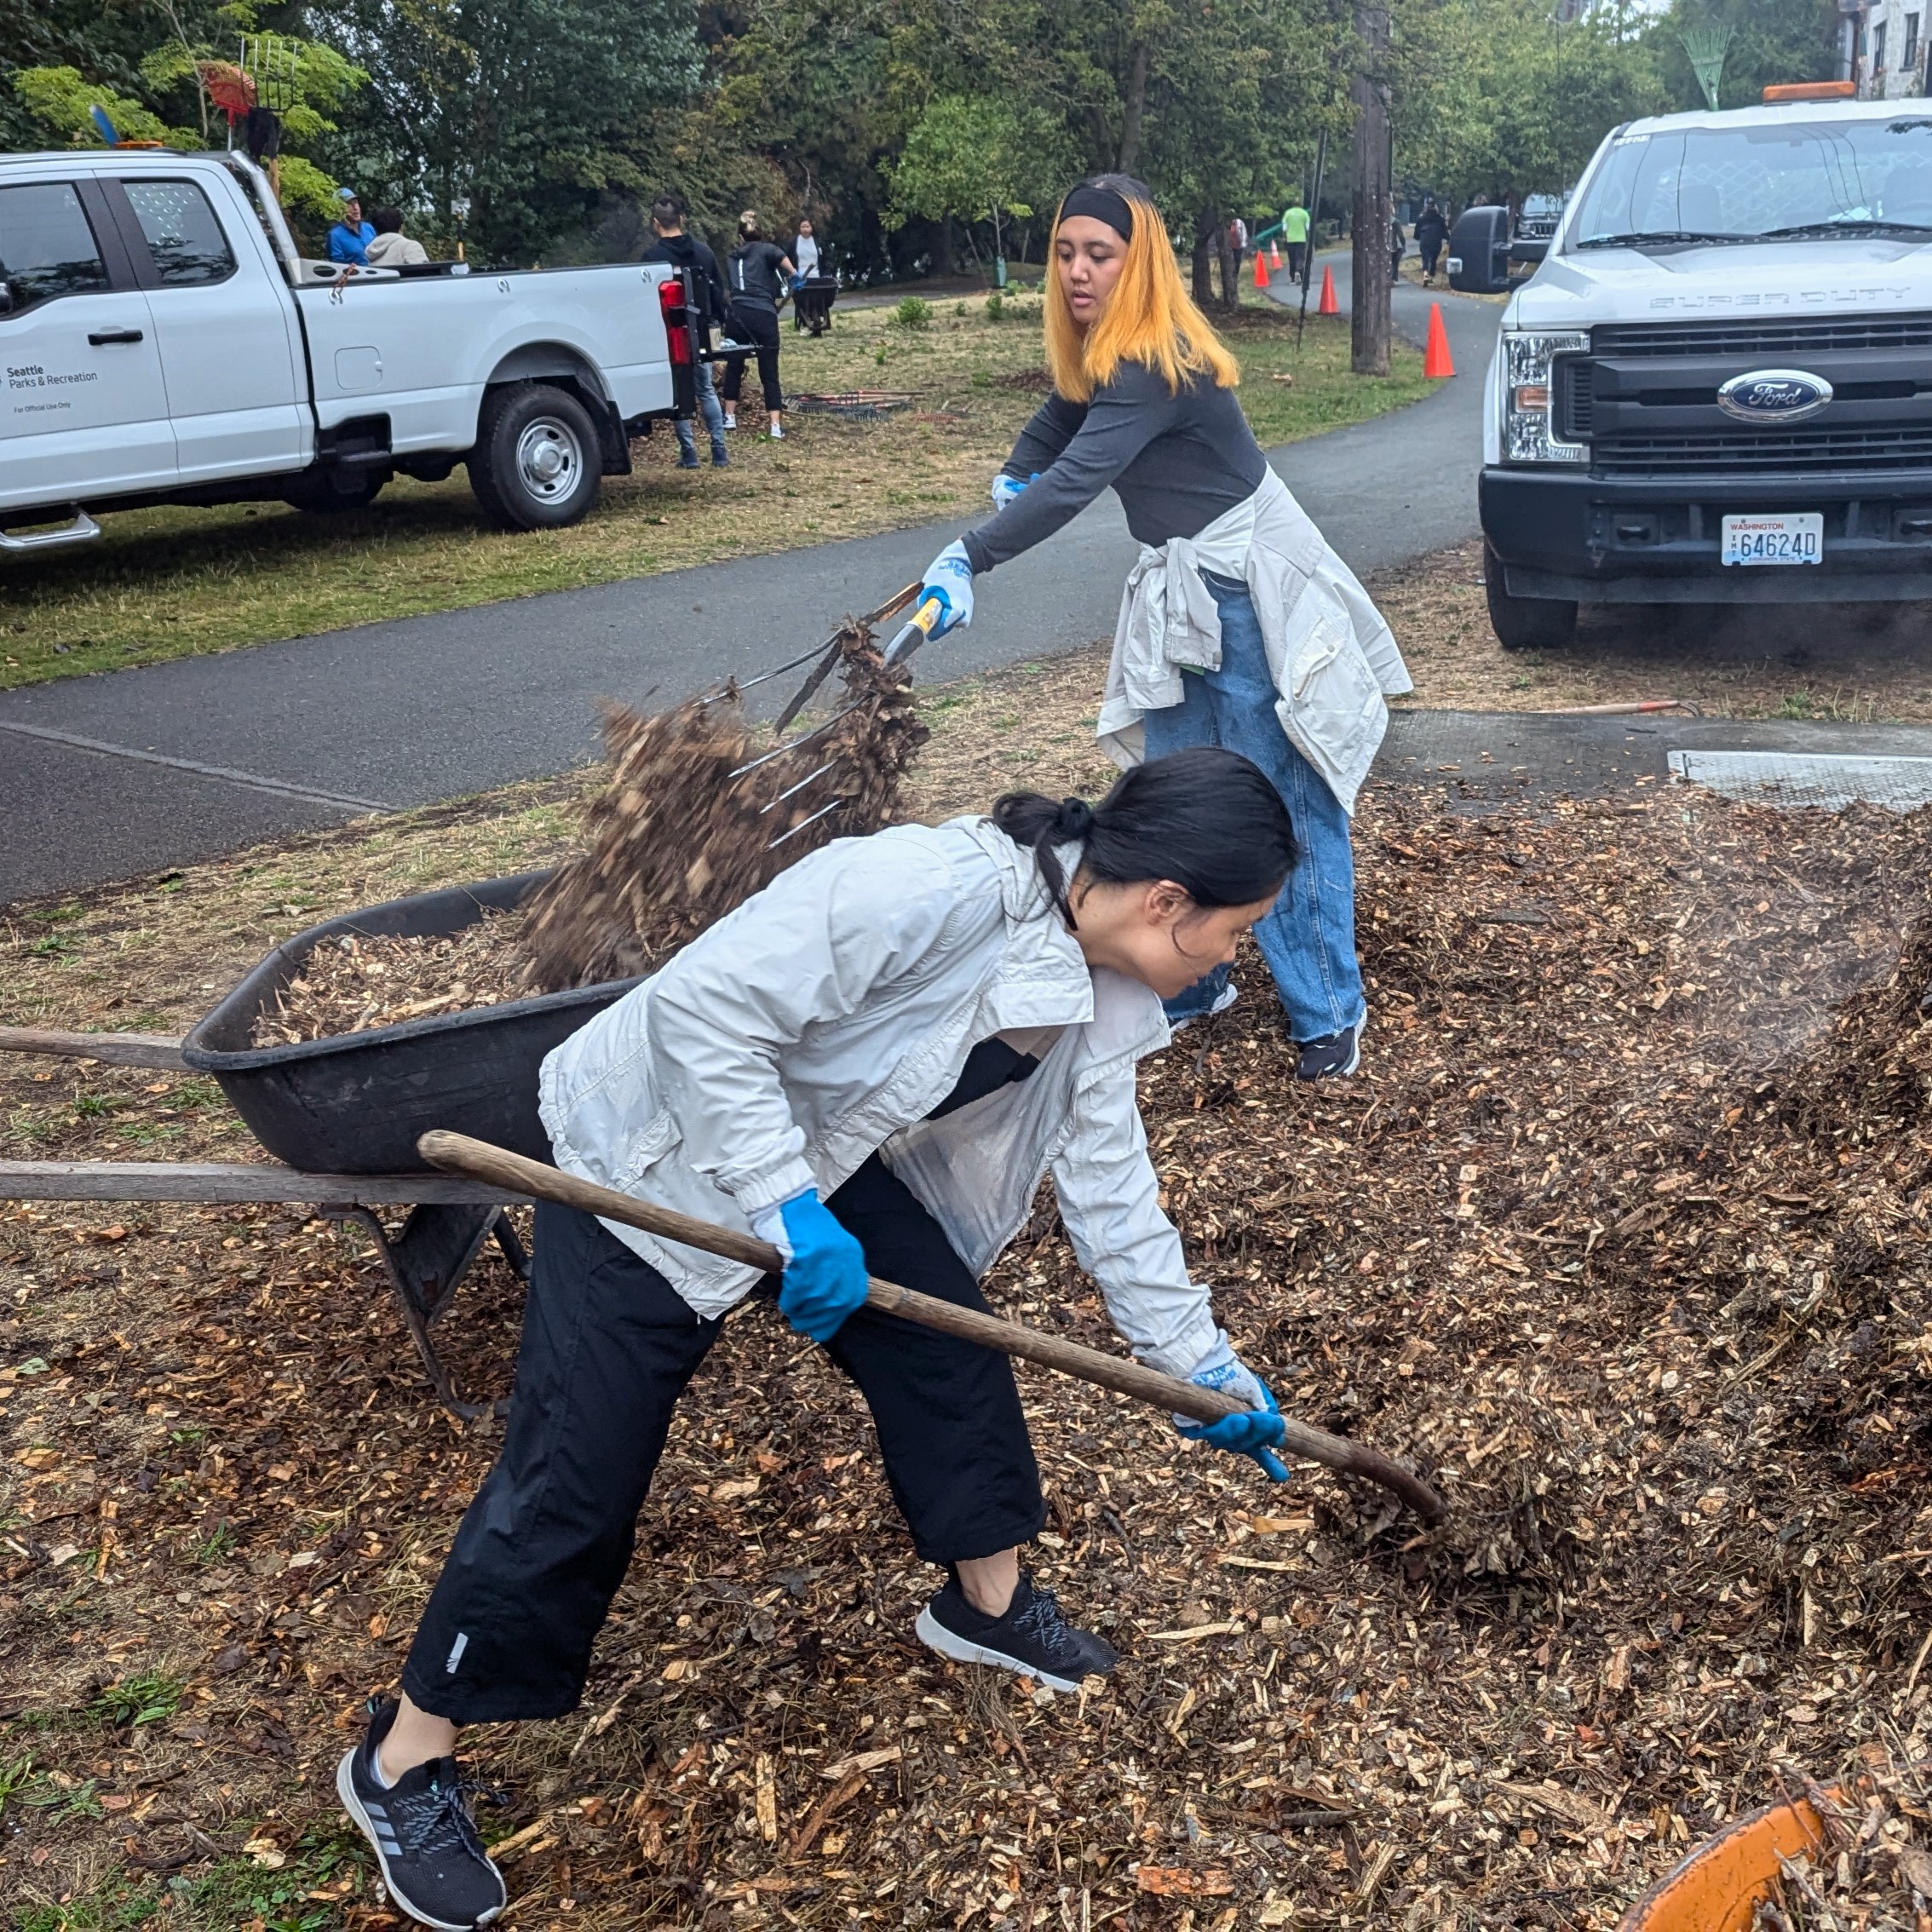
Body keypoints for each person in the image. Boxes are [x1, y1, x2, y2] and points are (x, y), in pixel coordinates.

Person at [334, 749, 1300, 1932]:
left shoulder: (1097, 990)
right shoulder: (925, 888)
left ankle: (984, 1606)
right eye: (1236, 930)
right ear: (1166, 902)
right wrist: (782, 1205)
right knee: (574, 1476)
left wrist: (1191, 1360)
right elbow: (703, 1012)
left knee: (949, 1351)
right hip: (655, 1154)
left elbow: (1108, 1185)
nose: (1232, 954)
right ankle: (402, 1757)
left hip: (816, 1160)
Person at [913, 174, 1411, 1082]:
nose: (1076, 271)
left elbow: (1076, 482)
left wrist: (972, 555)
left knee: (1286, 797)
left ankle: (1330, 1009)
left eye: (1098, 254)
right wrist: (1013, 472)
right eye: (1065, 253)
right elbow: (1058, 423)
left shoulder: (1156, 359)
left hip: (1252, 594)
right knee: (1178, 795)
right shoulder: (1110, 349)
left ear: (1138, 261)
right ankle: (1190, 980)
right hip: (1190, 597)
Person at [641, 193, 730, 469]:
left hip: (671, 334)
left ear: (656, 222)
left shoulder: (652, 257)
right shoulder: (703, 252)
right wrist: (718, 324)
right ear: (683, 218)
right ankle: (719, 450)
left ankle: (689, 453)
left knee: (679, 391)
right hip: (702, 330)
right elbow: (718, 293)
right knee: (706, 389)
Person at [720, 210, 796, 440]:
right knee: (769, 371)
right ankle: (774, 426)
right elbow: (788, 266)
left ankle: (729, 417)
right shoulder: (768, 249)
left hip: (737, 315)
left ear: (740, 237)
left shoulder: (732, 256)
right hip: (763, 313)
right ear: (760, 234)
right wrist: (795, 276)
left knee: (734, 365)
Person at [364, 207, 428, 267]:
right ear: (401, 227)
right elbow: (423, 275)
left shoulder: (371, 252)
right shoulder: (411, 246)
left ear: (376, 229)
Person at [327, 188, 374, 266]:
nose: (355, 208)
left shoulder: (368, 228)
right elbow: (337, 267)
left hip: (378, 275)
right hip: (356, 277)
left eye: (355, 202)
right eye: (349, 204)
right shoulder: (335, 236)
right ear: (339, 210)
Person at [1414, 197, 1448, 285]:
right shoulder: (1440, 219)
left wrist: (1418, 237)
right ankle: (1432, 275)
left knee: (1425, 260)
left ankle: (1426, 277)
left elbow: (1416, 234)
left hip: (1425, 242)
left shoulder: (1421, 219)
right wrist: (1448, 239)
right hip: (1436, 242)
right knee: (1433, 260)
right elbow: (1445, 232)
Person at [1281, 194, 1311, 285]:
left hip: (1290, 239)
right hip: (1301, 239)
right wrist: (1308, 238)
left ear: (1293, 204)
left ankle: (1293, 278)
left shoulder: (1288, 213)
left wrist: (1284, 237)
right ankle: (1298, 272)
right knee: (1300, 257)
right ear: (1301, 204)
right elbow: (1308, 228)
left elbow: (1284, 227)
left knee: (1292, 258)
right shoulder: (1304, 213)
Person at [792, 216, 822, 281]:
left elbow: (824, 258)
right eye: (803, 227)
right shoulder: (794, 242)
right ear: (799, 228)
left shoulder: (818, 242)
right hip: (799, 278)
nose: (805, 229)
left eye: (807, 227)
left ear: (812, 228)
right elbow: (789, 258)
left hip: (816, 277)